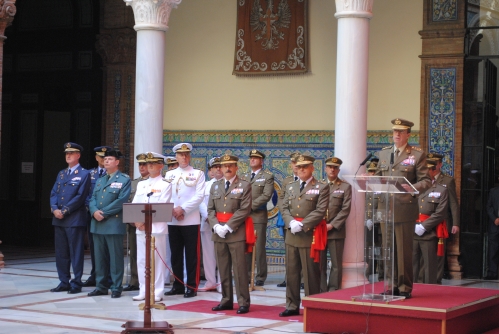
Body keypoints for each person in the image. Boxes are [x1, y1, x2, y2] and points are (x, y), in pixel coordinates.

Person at [375, 118, 431, 299]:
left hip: (404, 207)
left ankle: (404, 286)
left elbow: (426, 181)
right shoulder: (383, 155)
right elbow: (377, 178)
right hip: (386, 208)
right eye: (394, 131)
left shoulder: (417, 155)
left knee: (403, 250)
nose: (396, 135)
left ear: (408, 134)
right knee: (388, 249)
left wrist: (413, 188)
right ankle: (390, 284)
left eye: (400, 132)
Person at [279, 155, 329, 317]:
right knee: (292, 273)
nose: (301, 169)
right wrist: (291, 222)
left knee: (310, 275)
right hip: (292, 235)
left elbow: (320, 210)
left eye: (305, 167)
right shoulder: (291, 186)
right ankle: (292, 305)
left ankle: (312, 306)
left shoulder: (321, 186)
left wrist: (303, 224)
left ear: (312, 168)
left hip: (309, 235)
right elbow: (284, 207)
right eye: (299, 167)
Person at [208, 154, 252, 314]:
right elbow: (210, 209)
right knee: (223, 268)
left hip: (235, 232)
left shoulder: (245, 185)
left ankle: (243, 302)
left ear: (236, 167)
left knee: (240, 269)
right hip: (219, 233)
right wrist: (216, 226)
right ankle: (226, 300)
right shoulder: (215, 186)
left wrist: (228, 226)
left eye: (230, 165)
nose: (227, 168)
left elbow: (244, 209)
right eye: (224, 165)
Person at [88, 148, 131, 298]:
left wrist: (103, 213)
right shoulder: (101, 180)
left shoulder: (124, 180)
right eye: (105, 159)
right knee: (99, 258)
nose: (106, 161)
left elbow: (121, 201)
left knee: (115, 257)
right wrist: (94, 211)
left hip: (113, 224)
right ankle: (101, 286)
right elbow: (92, 198)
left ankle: (116, 287)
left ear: (117, 162)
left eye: (110, 159)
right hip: (97, 224)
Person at [164, 143, 206, 298]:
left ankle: (191, 286)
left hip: (190, 220)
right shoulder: (169, 175)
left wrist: (183, 209)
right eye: (181, 155)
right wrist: (174, 210)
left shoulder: (198, 174)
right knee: (175, 254)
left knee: (191, 255)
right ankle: (178, 284)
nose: (184, 157)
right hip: (173, 219)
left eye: (187, 154)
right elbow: (166, 195)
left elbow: (199, 196)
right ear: (176, 156)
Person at [49, 142, 91, 294]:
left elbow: (80, 197)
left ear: (78, 156)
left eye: (72, 153)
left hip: (73, 219)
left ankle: (76, 282)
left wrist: (64, 211)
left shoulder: (84, 174)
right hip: (58, 219)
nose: (68, 155)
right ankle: (63, 281)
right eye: (67, 153)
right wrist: (54, 209)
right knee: (61, 253)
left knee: (76, 252)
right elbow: (54, 193)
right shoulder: (61, 173)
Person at [131, 152, 172, 302]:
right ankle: (144, 289)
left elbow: (161, 207)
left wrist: (144, 222)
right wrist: (138, 221)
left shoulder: (166, 185)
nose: (150, 166)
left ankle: (157, 291)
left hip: (156, 229)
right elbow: (135, 204)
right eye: (148, 163)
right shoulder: (141, 184)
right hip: (140, 228)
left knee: (156, 260)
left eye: (153, 163)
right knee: (142, 260)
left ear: (161, 166)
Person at [240, 149, 274, 287]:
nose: (252, 160)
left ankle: (260, 276)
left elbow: (266, 195)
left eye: (255, 158)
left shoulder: (267, 176)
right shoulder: (245, 176)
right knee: (246, 246)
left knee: (259, 248)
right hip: (245, 217)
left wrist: (249, 206)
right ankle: (247, 275)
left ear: (262, 161)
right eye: (251, 158)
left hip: (258, 216)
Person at [413, 159, 449, 284]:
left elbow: (440, 212)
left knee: (429, 268)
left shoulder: (441, 190)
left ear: (434, 172)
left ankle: (430, 293)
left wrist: (423, 226)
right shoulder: (413, 187)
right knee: (411, 266)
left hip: (428, 232)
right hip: (411, 231)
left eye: (426, 170)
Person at [426, 152, 460, 283]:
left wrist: (455, 223)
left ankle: (437, 279)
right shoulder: (424, 179)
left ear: (440, 165)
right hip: (425, 220)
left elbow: (453, 203)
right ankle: (425, 279)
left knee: (439, 253)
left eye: (434, 165)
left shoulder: (447, 180)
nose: (431, 167)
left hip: (441, 221)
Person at [83, 146, 112, 288]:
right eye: (101, 157)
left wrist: (105, 211)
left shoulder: (115, 175)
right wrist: (93, 211)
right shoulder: (90, 174)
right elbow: (87, 196)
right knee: (95, 247)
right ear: (96, 158)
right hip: (93, 216)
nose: (103, 159)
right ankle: (95, 274)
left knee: (109, 247)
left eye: (106, 157)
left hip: (109, 216)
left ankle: (110, 276)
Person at [320, 157, 351, 292]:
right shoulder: (318, 185)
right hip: (319, 230)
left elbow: (346, 209)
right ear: (325, 168)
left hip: (336, 231)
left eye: (335, 167)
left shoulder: (345, 186)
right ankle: (321, 290)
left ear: (338, 170)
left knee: (336, 264)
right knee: (319, 263)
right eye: (330, 167)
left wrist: (332, 225)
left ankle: (333, 290)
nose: (332, 169)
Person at [123, 153, 149, 292]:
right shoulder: (133, 183)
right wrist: (132, 220)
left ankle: (149, 281)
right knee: (134, 253)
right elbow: (128, 202)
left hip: (150, 224)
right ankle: (135, 280)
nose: (142, 167)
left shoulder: (155, 182)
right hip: (134, 225)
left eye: (145, 164)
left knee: (150, 254)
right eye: (140, 164)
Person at [199, 157, 223, 291]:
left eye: (220, 166)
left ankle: (221, 283)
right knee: (208, 254)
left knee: (222, 254)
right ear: (211, 170)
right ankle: (210, 281)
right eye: (215, 167)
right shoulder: (206, 185)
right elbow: (200, 201)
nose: (218, 169)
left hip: (223, 224)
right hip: (208, 223)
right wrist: (207, 216)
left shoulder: (229, 184)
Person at [276, 152, 300, 288]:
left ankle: (302, 279)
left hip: (302, 220)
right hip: (288, 219)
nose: (296, 166)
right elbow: (281, 198)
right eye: (293, 163)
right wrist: (286, 215)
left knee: (302, 251)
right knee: (289, 251)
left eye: (298, 163)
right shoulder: (287, 180)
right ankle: (289, 278)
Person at [364, 159, 383, 280]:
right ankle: (367, 275)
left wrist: (375, 219)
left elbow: (383, 206)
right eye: (370, 171)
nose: (372, 174)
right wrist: (366, 219)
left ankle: (382, 277)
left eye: (374, 172)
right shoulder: (364, 187)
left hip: (379, 225)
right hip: (367, 225)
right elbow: (362, 206)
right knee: (368, 252)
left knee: (381, 252)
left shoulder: (382, 188)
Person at [486, 181, 499, 280]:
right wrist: (494, 218)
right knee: (493, 249)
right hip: (495, 225)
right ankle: (492, 272)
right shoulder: (493, 191)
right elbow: (489, 206)